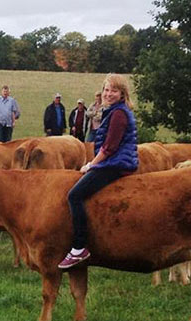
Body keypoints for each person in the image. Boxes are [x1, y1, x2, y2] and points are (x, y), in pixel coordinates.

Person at [58, 74, 139, 269]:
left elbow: (109, 147)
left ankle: (79, 247)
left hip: (115, 165)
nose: (108, 94)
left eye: (113, 90)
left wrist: (91, 164)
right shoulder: (115, 111)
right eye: (106, 90)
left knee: (75, 195)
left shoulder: (119, 114)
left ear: (122, 94)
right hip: (115, 162)